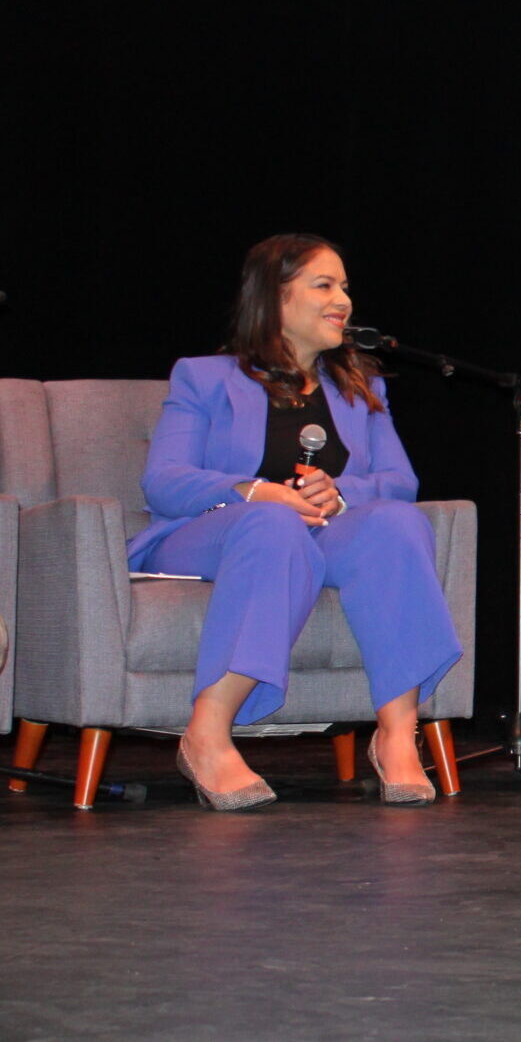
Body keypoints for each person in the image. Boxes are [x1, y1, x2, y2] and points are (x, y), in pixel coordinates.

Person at [129, 234, 462, 810]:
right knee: (271, 524)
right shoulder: (204, 379)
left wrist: (341, 493)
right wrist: (257, 492)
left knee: (397, 524)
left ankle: (396, 734)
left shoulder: (362, 388)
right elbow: (164, 480)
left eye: (346, 287)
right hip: (214, 534)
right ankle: (207, 734)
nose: (344, 300)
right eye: (324, 285)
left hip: (320, 535)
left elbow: (399, 482)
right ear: (277, 299)